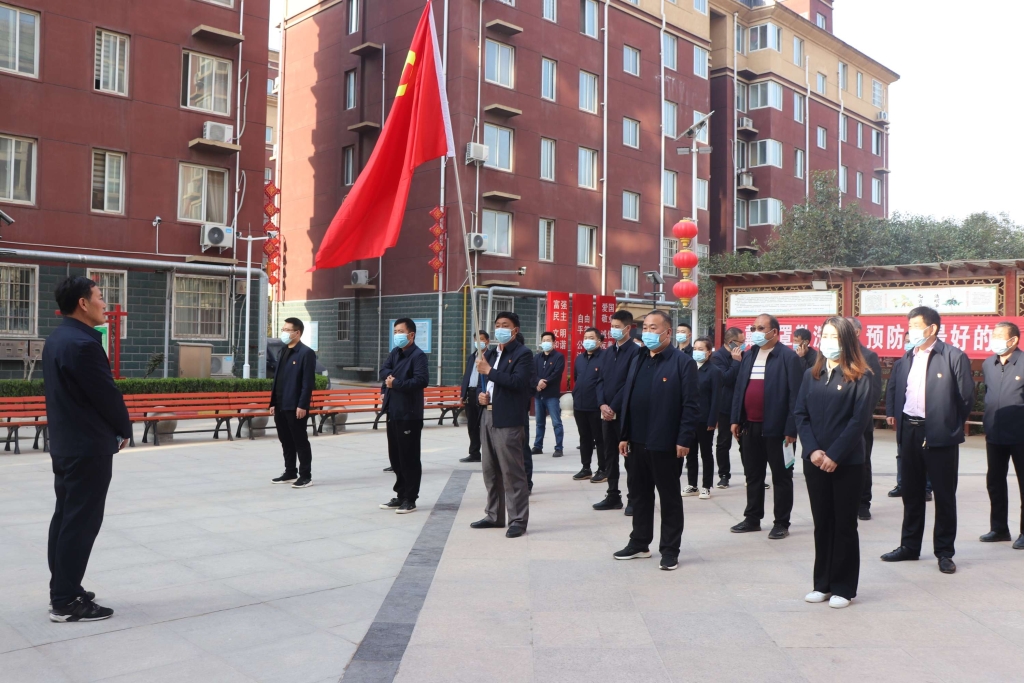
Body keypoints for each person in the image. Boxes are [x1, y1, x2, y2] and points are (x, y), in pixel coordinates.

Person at [44, 276, 131, 623]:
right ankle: (65, 601)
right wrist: (123, 427)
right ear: (82, 303)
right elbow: (105, 394)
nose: (103, 304)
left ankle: (64, 588)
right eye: (99, 297)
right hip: (87, 446)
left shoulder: (58, 338)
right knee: (80, 523)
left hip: (67, 444)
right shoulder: (82, 343)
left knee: (66, 518)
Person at [882, 306, 974, 574]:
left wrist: (948, 424)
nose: (910, 331)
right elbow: (897, 390)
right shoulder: (906, 358)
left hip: (940, 434)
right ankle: (909, 547)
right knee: (911, 492)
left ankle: (944, 552)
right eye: (908, 326)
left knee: (944, 495)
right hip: (910, 431)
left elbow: (965, 398)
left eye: (915, 326)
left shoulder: (953, 357)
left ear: (931, 328)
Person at [794, 317, 875, 609]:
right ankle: (822, 584)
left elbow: (858, 422)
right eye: (825, 335)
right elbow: (800, 414)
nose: (828, 341)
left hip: (847, 462)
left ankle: (843, 586)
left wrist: (834, 455)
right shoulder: (811, 375)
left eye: (835, 337)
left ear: (847, 341)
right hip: (814, 460)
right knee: (822, 523)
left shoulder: (861, 376)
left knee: (844, 524)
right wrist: (814, 450)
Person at [612, 310, 700, 571]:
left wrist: (684, 438)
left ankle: (670, 550)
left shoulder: (682, 363)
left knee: (669, 497)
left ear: (668, 332)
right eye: (645, 328)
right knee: (638, 495)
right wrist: (624, 434)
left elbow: (690, 405)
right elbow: (628, 397)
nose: (648, 333)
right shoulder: (638, 357)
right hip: (636, 441)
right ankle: (639, 542)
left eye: (654, 328)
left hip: (666, 442)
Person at [730, 313, 804, 539]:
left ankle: (781, 522)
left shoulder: (788, 357)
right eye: (754, 328)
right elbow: (740, 388)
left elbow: (797, 396)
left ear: (775, 332)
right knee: (753, 475)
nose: (756, 332)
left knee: (781, 477)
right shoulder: (750, 354)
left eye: (761, 328)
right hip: (750, 427)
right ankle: (752, 518)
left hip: (778, 429)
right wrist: (735, 418)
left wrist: (791, 429)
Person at [471, 311, 534, 537]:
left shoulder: (523, 354)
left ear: (515, 330)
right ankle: (494, 515)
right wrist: (482, 394)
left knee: (512, 471)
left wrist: (489, 371)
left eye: (505, 325)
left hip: (508, 420)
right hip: (488, 415)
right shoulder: (493, 354)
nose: (500, 329)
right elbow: (489, 384)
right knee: (491, 470)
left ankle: (517, 519)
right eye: (497, 324)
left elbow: (518, 383)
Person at [980, 322, 1024, 549]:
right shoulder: (989, 363)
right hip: (994, 435)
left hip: (1020, 436)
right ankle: (999, 528)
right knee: (995, 482)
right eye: (993, 334)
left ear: (1013, 340)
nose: (994, 338)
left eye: (999, 335)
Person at [379, 318, 429, 514]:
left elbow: (421, 380)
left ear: (411, 335)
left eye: (401, 331)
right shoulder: (395, 353)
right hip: (393, 411)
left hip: (409, 414)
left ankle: (410, 498)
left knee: (409, 457)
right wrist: (393, 378)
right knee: (396, 457)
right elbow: (383, 370)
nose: (397, 335)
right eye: (395, 331)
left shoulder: (418, 356)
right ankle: (400, 495)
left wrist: (395, 382)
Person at [594, 310, 641, 513]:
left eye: (617, 326)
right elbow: (600, 381)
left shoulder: (636, 352)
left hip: (625, 414)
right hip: (607, 414)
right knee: (609, 455)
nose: (613, 330)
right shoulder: (607, 353)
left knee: (630, 458)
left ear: (627, 328)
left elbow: (630, 384)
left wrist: (614, 406)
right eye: (611, 326)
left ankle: (633, 499)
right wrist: (602, 405)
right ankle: (613, 495)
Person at [269, 317, 318, 489]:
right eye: (283, 329)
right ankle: (290, 471)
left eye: (287, 329)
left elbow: (307, 382)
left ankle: (306, 476)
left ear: (297, 333)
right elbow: (278, 380)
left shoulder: (306, 353)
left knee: (300, 440)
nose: (284, 332)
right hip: (281, 404)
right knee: (285, 440)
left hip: (295, 405)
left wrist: (302, 405)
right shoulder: (282, 351)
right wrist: (273, 402)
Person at [846, 318, 884, 521]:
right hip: (836, 422)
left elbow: (874, 391)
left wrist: (859, 416)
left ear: (858, 331)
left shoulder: (869, 356)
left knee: (862, 462)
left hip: (860, 422)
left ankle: (863, 503)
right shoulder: (833, 355)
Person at [887, 334, 932, 501]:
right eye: (906, 341)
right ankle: (902, 484)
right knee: (902, 453)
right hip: (905, 417)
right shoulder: (901, 363)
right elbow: (891, 389)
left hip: (926, 418)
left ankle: (926, 488)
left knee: (925, 454)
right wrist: (890, 412)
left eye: (910, 340)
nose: (908, 343)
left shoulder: (929, 363)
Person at [683, 337, 722, 499]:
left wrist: (712, 420)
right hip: (689, 419)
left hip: (705, 419)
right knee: (690, 453)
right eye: (695, 348)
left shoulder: (714, 371)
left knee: (706, 453)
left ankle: (706, 486)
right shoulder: (688, 368)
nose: (697, 352)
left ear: (708, 352)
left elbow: (716, 398)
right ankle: (692, 485)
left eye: (701, 349)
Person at [710, 327, 744, 488]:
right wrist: (736, 362)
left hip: (741, 405)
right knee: (724, 442)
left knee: (746, 443)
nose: (743, 346)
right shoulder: (717, 357)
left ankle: (751, 474)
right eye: (741, 343)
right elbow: (725, 379)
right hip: (724, 406)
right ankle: (724, 475)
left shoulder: (743, 355)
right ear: (731, 342)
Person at [571, 328, 605, 482]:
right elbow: (576, 378)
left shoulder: (605, 358)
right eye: (585, 337)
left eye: (591, 337)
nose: (587, 340)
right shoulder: (579, 358)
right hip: (580, 405)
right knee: (584, 438)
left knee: (600, 439)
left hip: (596, 406)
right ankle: (586, 468)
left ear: (599, 340)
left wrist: (602, 403)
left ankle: (603, 469)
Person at [532, 331, 565, 457]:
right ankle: (538, 446)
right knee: (539, 422)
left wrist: (544, 382)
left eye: (548, 340)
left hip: (551, 395)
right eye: (544, 340)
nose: (546, 343)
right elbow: (532, 373)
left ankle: (559, 447)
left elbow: (556, 373)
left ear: (554, 342)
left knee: (556, 422)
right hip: (538, 395)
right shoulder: (537, 358)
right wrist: (538, 382)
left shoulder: (558, 357)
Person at [459, 331, 490, 463]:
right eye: (476, 340)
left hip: (482, 394)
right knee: (471, 425)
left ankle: (488, 454)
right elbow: (467, 376)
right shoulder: (472, 356)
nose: (479, 342)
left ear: (487, 341)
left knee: (483, 425)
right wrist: (462, 393)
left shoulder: (490, 356)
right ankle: (474, 452)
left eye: (481, 339)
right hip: (470, 394)